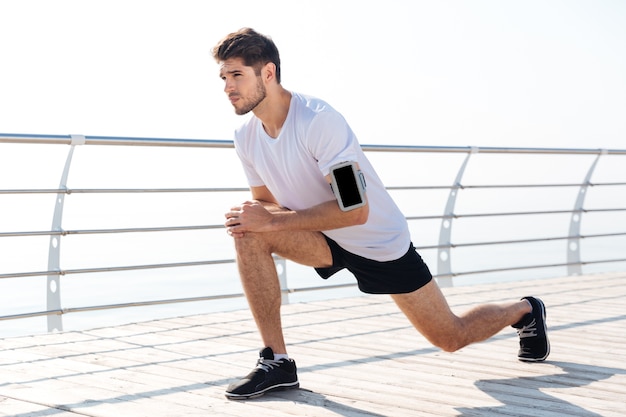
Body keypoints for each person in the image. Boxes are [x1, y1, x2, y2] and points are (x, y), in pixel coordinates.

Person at [212, 28, 550, 400]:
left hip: (379, 242)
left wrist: (273, 220)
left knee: (450, 337)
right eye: (224, 78)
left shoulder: (318, 121)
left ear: (269, 73)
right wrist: (257, 216)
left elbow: (356, 210)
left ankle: (524, 310)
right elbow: (265, 202)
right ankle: (277, 362)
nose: (228, 87)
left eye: (237, 75)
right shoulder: (245, 135)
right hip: (322, 238)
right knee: (247, 230)